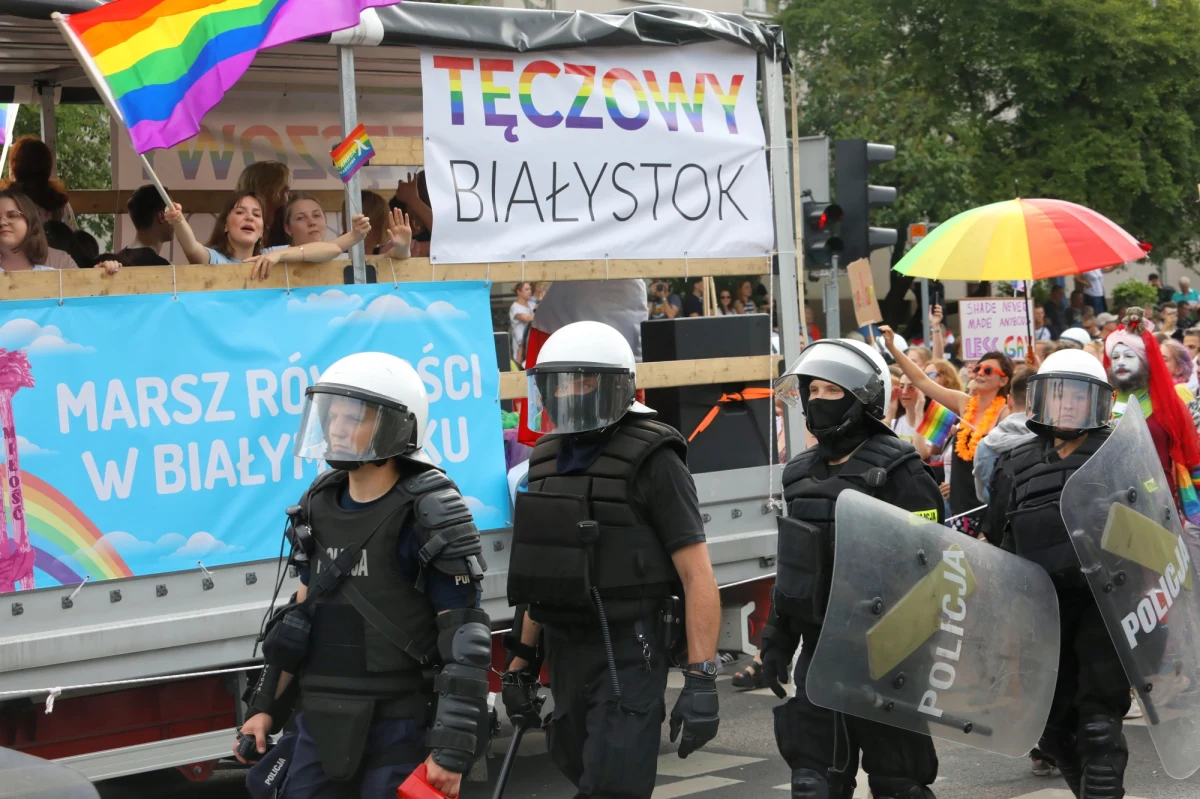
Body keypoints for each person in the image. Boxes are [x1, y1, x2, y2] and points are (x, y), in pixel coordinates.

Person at [237, 353, 489, 798]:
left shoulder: (430, 512)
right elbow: (300, 616)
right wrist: (265, 710)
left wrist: (451, 751)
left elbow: (465, 643)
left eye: (352, 416)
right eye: (331, 414)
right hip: (318, 720)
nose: (335, 427)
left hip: (399, 723)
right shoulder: (318, 502)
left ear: (396, 425)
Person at [502, 321, 721, 799]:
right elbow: (542, 571)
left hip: (629, 647)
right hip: (564, 646)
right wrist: (520, 661)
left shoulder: (655, 458)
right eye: (559, 382)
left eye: (582, 380)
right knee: (574, 760)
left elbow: (697, 574)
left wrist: (701, 677)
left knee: (612, 782)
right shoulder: (543, 460)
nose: (569, 392)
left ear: (614, 384)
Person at [764, 337, 943, 799]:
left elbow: (934, 570)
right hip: (820, 651)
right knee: (813, 784)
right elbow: (794, 567)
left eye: (831, 390)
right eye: (813, 391)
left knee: (898, 784)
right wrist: (776, 638)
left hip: (886, 656)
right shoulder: (798, 475)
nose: (818, 400)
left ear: (862, 397)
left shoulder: (902, 471)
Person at [988, 349, 1126, 797]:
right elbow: (1000, 535)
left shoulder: (1117, 454)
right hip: (1041, 610)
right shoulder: (1015, 461)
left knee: (1099, 720)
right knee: (1050, 725)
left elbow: (1151, 530)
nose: (1067, 405)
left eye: (1078, 396)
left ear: (1098, 403)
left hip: (1101, 604)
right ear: (1041, 398)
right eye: (1059, 394)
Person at [883, 326, 1012, 515]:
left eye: (988, 370)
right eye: (978, 368)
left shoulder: (1005, 413)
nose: (980, 373)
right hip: (958, 505)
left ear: (1003, 381)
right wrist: (892, 348)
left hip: (987, 507)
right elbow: (921, 381)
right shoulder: (964, 403)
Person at [1106, 312, 1200, 526]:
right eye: (1115, 357)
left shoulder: (1168, 403)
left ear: (1145, 361)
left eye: (1129, 356)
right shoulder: (1107, 403)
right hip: (1117, 504)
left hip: (1161, 508)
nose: (1121, 362)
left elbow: (1191, 455)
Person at [0, 189, 118, 275]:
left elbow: (80, 302)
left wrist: (97, 278)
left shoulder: (55, 274)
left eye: (12, 215)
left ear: (30, 221)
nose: (2, 222)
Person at [973, 366, 1036, 504]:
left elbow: (983, 496)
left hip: (1000, 520)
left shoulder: (985, 444)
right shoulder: (1054, 440)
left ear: (1009, 400)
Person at [1, 136, 75, 228]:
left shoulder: (5, 201)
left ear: (15, 166)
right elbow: (72, 237)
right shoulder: (60, 204)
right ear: (48, 166)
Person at [112, 185, 173, 266]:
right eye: (172, 211)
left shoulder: (116, 261)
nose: (175, 216)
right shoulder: (160, 267)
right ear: (162, 216)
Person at [237, 160, 291, 248]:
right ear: (266, 189)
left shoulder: (286, 218)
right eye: (282, 185)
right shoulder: (240, 222)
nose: (287, 189)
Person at [509, 282, 535, 366]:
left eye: (530, 289)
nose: (529, 291)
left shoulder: (532, 304)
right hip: (520, 345)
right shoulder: (515, 307)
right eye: (526, 289)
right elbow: (527, 319)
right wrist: (538, 311)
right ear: (519, 292)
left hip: (531, 341)